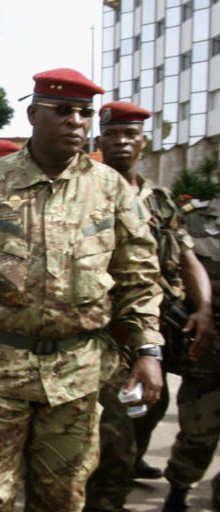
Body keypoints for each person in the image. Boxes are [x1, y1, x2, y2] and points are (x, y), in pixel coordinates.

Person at [0, 68, 164, 510]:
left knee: (61, 501)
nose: (76, 121)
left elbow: (139, 277)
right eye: (63, 111)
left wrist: (149, 351)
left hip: (77, 377)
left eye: (84, 113)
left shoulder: (110, 189)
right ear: (34, 114)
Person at [83, 101, 214, 512]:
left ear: (143, 141)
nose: (122, 142)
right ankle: (105, 497)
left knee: (155, 406)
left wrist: (204, 307)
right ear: (99, 139)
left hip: (159, 323)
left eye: (131, 134)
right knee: (114, 424)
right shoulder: (87, 191)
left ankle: (138, 472)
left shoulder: (160, 198)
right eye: (114, 134)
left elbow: (188, 257)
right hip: (107, 329)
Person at [161, 161, 220, 510]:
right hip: (210, 341)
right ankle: (179, 491)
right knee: (198, 431)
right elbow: (177, 264)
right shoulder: (195, 219)